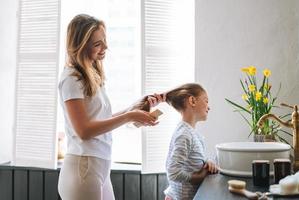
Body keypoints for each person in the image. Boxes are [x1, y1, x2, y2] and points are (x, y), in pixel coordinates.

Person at [57, 14, 164, 200]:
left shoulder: (91, 75)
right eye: (98, 44)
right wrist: (130, 117)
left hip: (98, 166)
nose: (105, 47)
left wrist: (133, 109)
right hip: (84, 167)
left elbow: (97, 120)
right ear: (81, 46)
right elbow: (84, 131)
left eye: (104, 41)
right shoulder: (71, 79)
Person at [163, 83, 219, 200]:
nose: (209, 107)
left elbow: (191, 161)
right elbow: (173, 172)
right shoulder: (184, 134)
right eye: (206, 101)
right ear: (192, 101)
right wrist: (199, 176)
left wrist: (207, 162)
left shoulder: (191, 133)